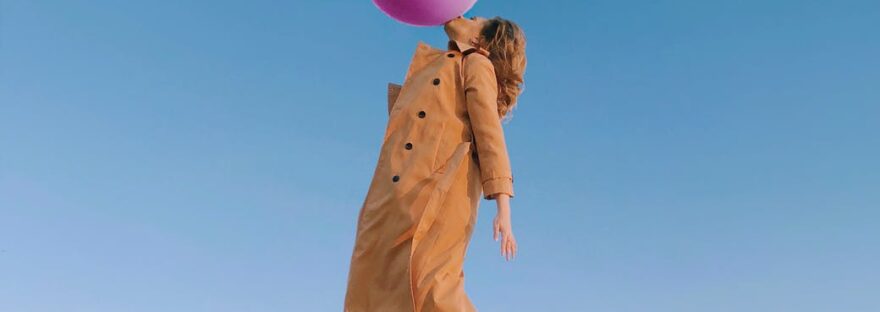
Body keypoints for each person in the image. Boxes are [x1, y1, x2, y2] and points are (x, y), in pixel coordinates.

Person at [344, 15, 527, 312]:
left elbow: (490, 134)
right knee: (374, 274)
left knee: (433, 285)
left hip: (440, 189)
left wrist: (503, 209)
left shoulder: (477, 64)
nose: (469, 15)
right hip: (401, 191)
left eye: (478, 19)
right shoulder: (445, 62)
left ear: (484, 40)